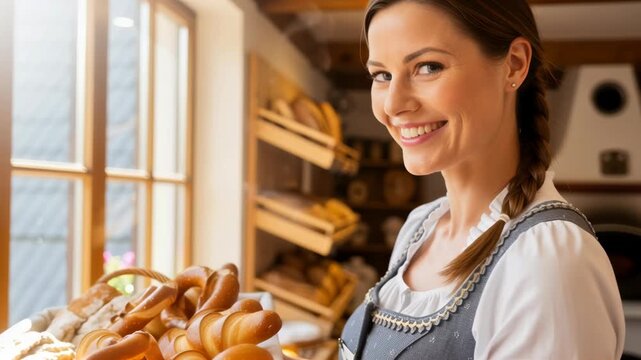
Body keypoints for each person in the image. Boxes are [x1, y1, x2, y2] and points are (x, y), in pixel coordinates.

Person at [339, 1, 625, 359]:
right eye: (381, 75)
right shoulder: (419, 228)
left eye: (428, 67)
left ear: (515, 64)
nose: (394, 104)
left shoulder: (547, 262)